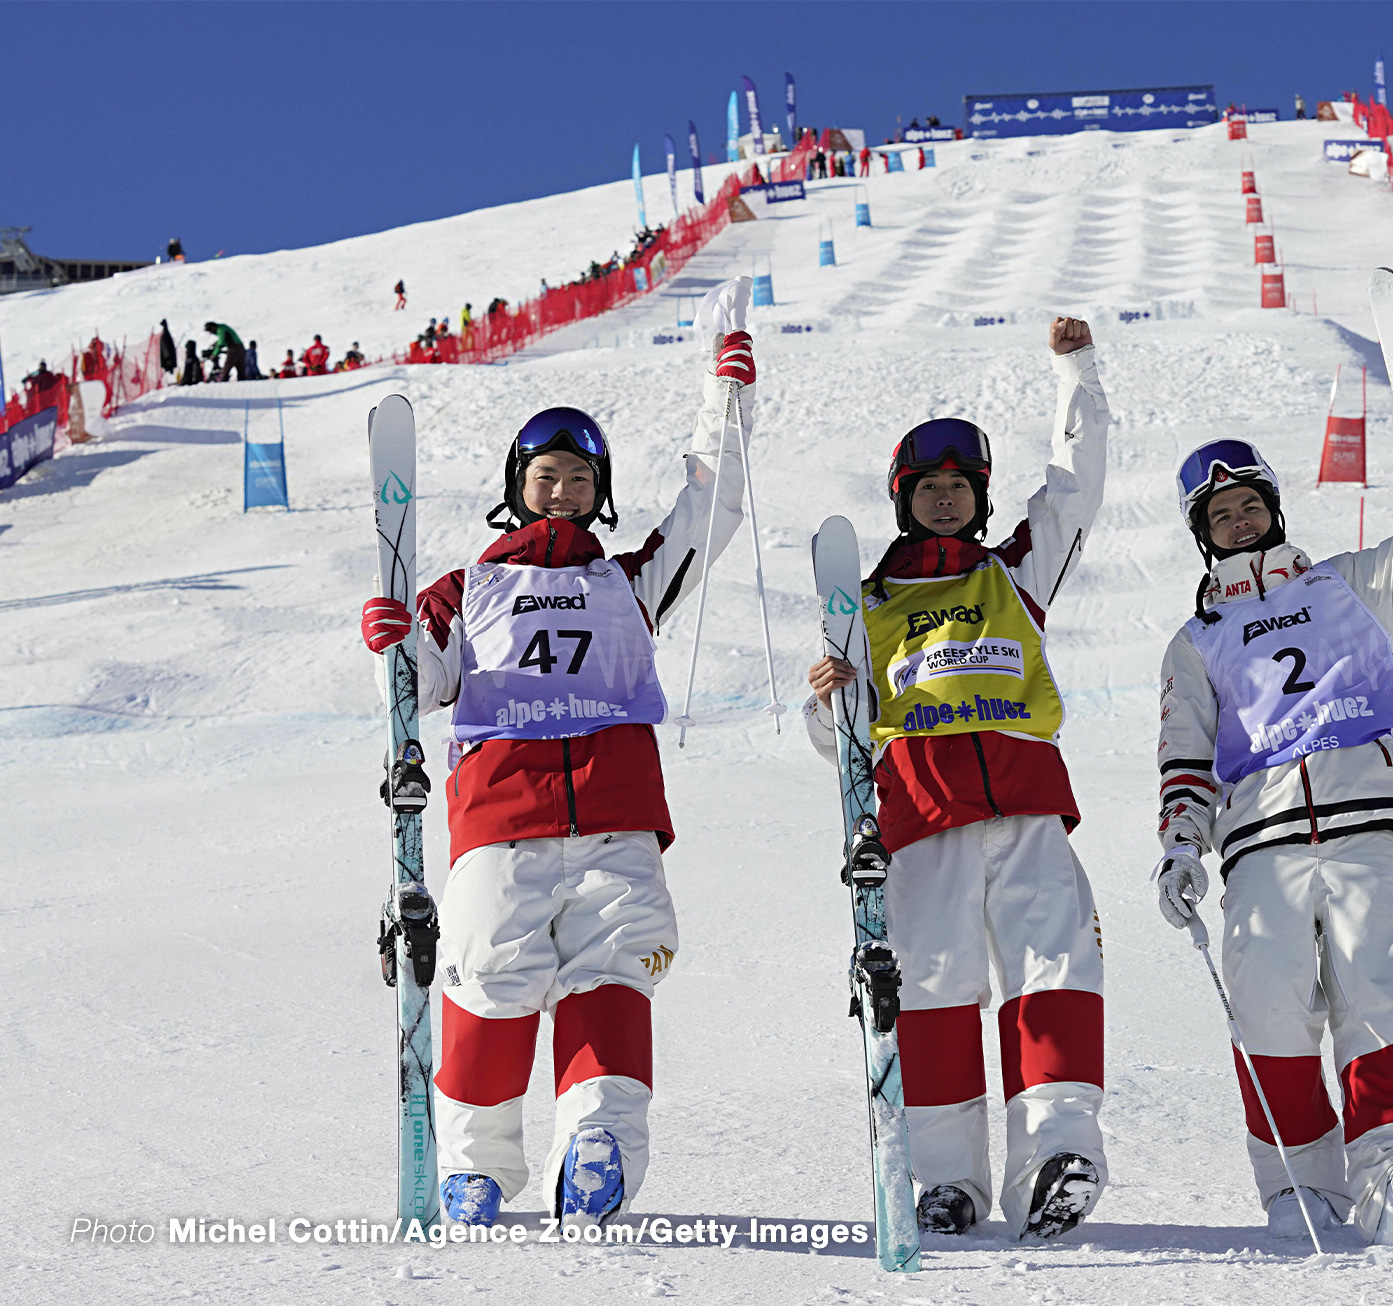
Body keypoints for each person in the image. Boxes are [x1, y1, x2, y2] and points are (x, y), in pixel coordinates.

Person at [357, 327, 758, 1229]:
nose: (566, 491)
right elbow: (421, 685)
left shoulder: (631, 582)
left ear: (600, 494)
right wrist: (394, 641)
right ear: (517, 487)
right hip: (502, 817)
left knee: (613, 971)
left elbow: (712, 512)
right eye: (548, 477)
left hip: (617, 815)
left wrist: (727, 404)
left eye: (582, 479)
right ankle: (474, 1165)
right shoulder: (469, 587)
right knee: (490, 976)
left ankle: (597, 1143)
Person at [1152, 357, 1393, 1248]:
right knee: (1270, 1009)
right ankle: (1303, 1188)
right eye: (1220, 514)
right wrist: (1182, 848)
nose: (1239, 519)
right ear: (1202, 534)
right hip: (1259, 844)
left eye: (1249, 502)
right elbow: (1185, 756)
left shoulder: (1343, 585)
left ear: (1273, 506)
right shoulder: (1197, 640)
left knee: (1375, 1001)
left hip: (1364, 824)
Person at [801, 319, 1110, 1241]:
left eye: (960, 487)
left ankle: (1057, 1154)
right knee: (933, 992)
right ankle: (945, 1181)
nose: (946, 500)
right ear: (905, 499)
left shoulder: (1015, 573)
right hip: (920, 818)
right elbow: (838, 739)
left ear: (978, 497)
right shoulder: (869, 601)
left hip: (1025, 806)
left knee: (1054, 975)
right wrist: (827, 699)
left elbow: (1075, 491)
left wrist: (1076, 373)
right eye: (929, 489)